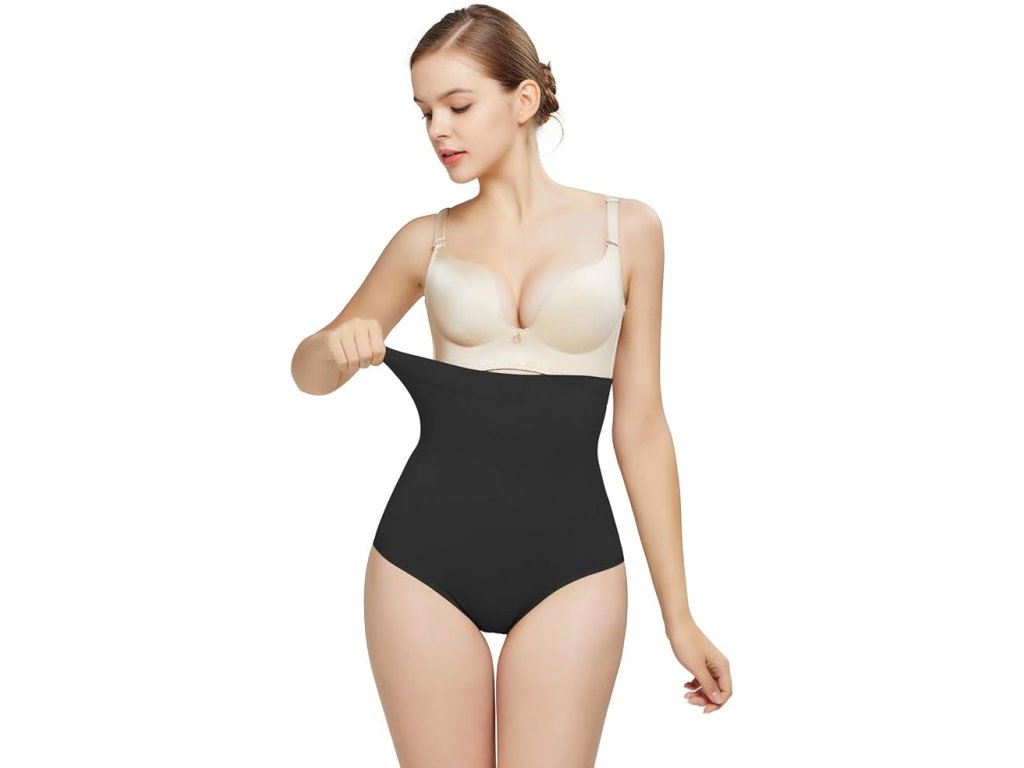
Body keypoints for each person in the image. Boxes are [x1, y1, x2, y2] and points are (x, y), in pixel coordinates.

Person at [291, 4, 731, 765]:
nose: (438, 130)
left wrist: (680, 616)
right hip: (421, 562)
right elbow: (308, 374)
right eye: (425, 112)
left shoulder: (630, 231)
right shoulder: (423, 240)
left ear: (524, 100)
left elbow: (641, 428)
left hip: (574, 566)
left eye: (458, 106)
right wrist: (334, 348)